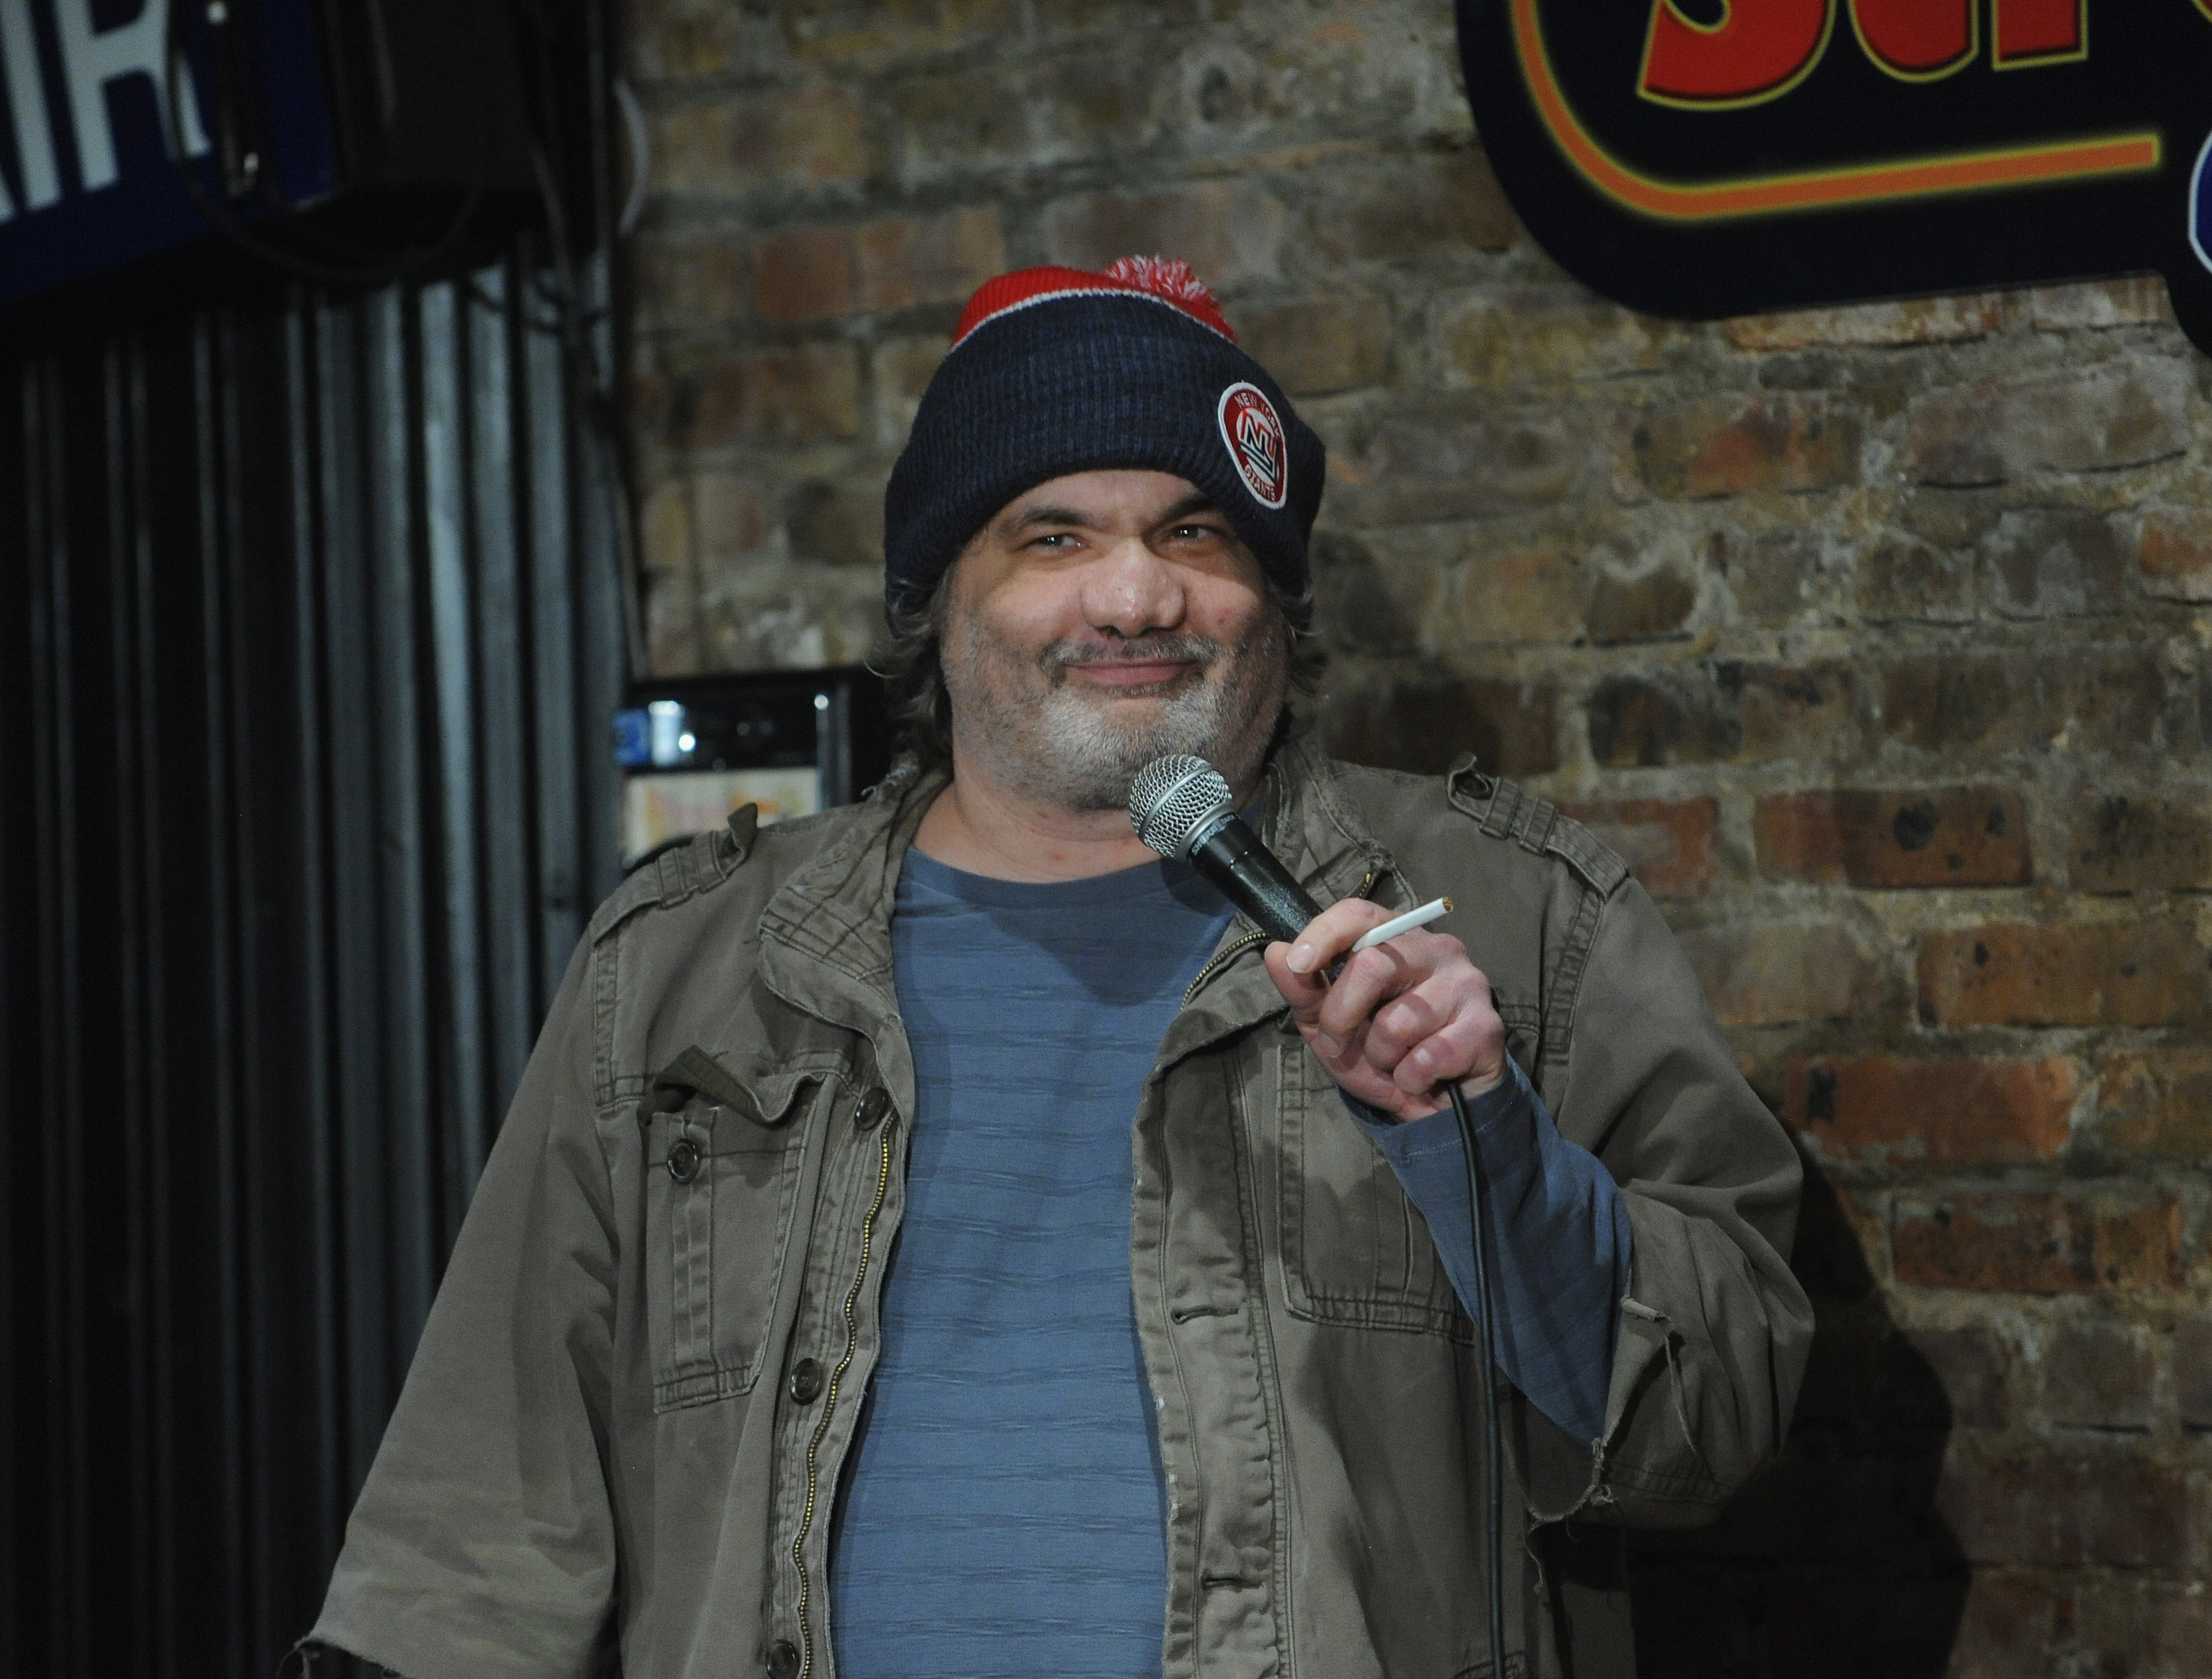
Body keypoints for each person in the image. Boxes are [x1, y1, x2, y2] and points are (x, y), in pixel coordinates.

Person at [310, 257, 1812, 1679]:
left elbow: (1713, 1423)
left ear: (1274, 593)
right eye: (1054, 536)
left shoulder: (1508, 917)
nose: (1136, 598)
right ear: (938, 596)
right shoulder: (686, 965)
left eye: (1196, 533)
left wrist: (1484, 1141)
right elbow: (473, 1538)